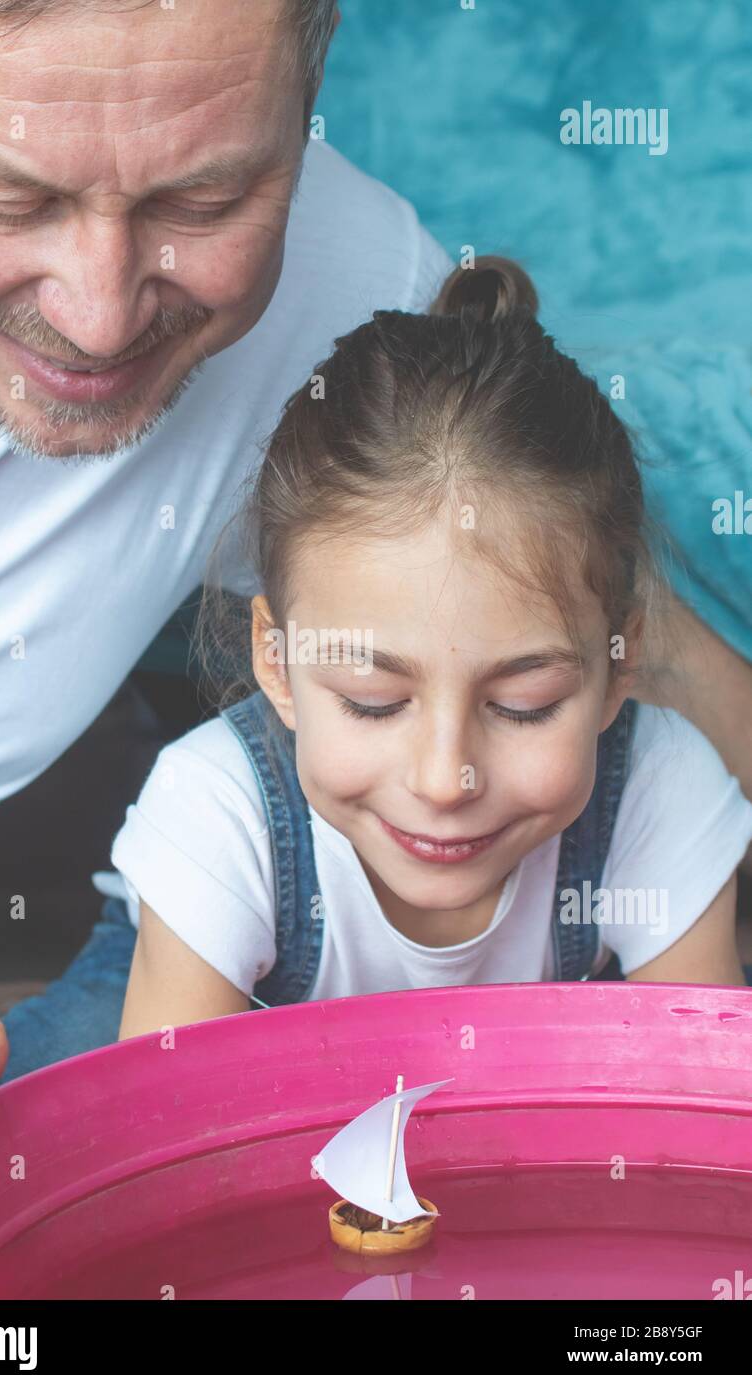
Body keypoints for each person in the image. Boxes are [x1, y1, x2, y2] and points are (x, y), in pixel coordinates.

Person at [0, 0, 454, 1117]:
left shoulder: (352, 296)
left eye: (205, 202)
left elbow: (607, 633)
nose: (99, 322)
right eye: (8, 199)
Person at [108, 257, 752, 1040]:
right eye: (372, 702)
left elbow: (699, 1109)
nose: (447, 780)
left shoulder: (655, 789)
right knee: (42, 1109)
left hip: (523, 1083)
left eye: (526, 707)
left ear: (619, 663)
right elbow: (170, 1148)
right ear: (276, 661)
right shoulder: (218, 818)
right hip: (196, 1005)